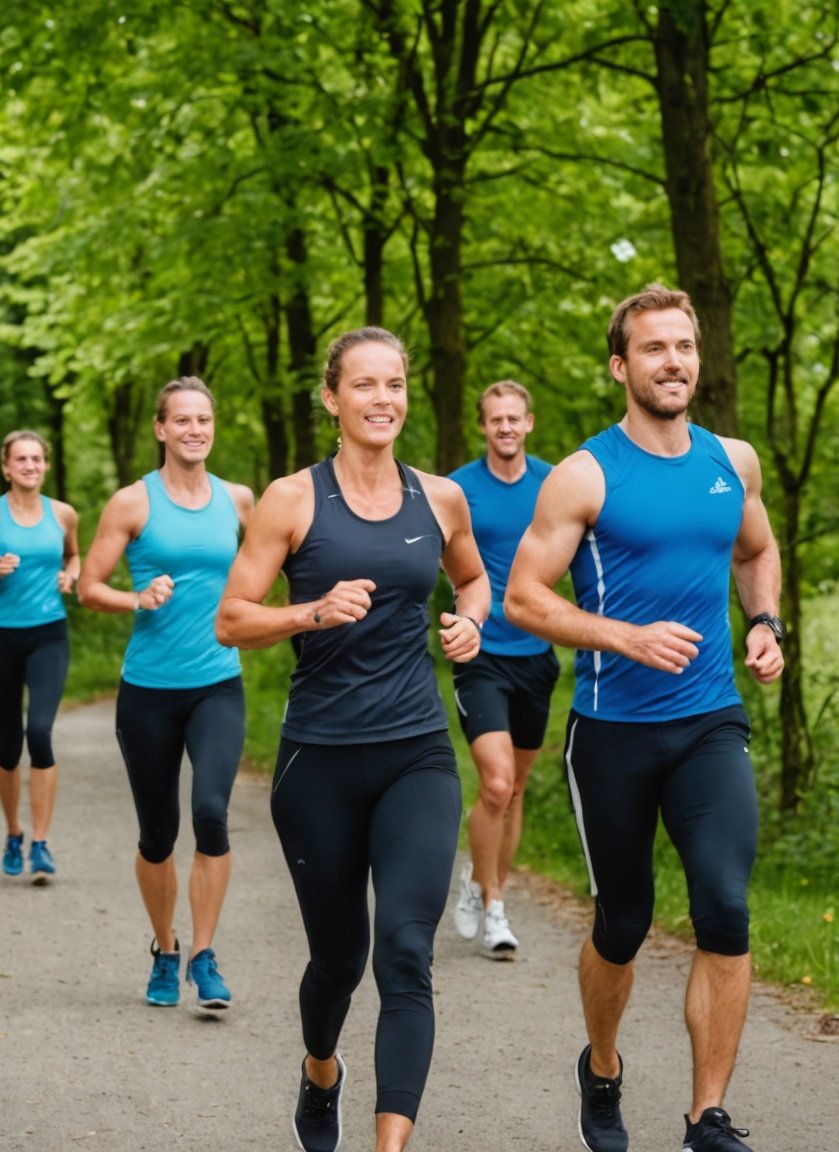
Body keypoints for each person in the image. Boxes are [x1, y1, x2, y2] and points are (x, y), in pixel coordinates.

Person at [505, 284, 783, 1152]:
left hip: (710, 722)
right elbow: (521, 598)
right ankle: (602, 1065)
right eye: (654, 349)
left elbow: (758, 549)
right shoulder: (587, 475)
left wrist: (766, 623)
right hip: (611, 731)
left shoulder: (730, 461)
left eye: (685, 347)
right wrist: (619, 635)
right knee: (622, 923)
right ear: (622, 367)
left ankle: (707, 1117)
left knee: (726, 909)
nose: (674, 362)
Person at [216, 329, 487, 1152]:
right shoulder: (292, 499)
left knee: (406, 953)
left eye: (395, 383)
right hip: (319, 761)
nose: (382, 399)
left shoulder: (439, 498)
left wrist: (469, 622)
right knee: (339, 959)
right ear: (331, 399)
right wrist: (310, 611)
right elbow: (232, 618)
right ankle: (321, 1068)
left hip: (417, 754)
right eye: (363, 385)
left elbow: (474, 577)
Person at [78, 377, 254, 1011]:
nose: (194, 430)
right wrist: (135, 597)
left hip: (218, 685)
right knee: (158, 833)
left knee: (211, 812)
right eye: (181, 420)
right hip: (148, 690)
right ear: (160, 429)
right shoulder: (132, 503)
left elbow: (272, 566)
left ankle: (204, 956)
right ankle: (165, 947)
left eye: (203, 419)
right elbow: (88, 586)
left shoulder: (238, 500)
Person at [446, 381, 558, 960]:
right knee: (493, 783)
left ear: (529, 422)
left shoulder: (553, 484)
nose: (506, 428)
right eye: (496, 420)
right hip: (481, 653)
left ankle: (482, 881)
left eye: (515, 418)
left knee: (513, 791)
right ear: (483, 426)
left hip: (537, 657)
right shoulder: (460, 489)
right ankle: (493, 909)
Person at [0, 430, 80, 881]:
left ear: (45, 465)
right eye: (21, 459)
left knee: (39, 732)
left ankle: (41, 843)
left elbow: (74, 557)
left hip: (49, 634)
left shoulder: (63, 514)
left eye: (37, 458)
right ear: (6, 467)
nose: (30, 465)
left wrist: (71, 576)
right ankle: (13, 832)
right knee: (9, 744)